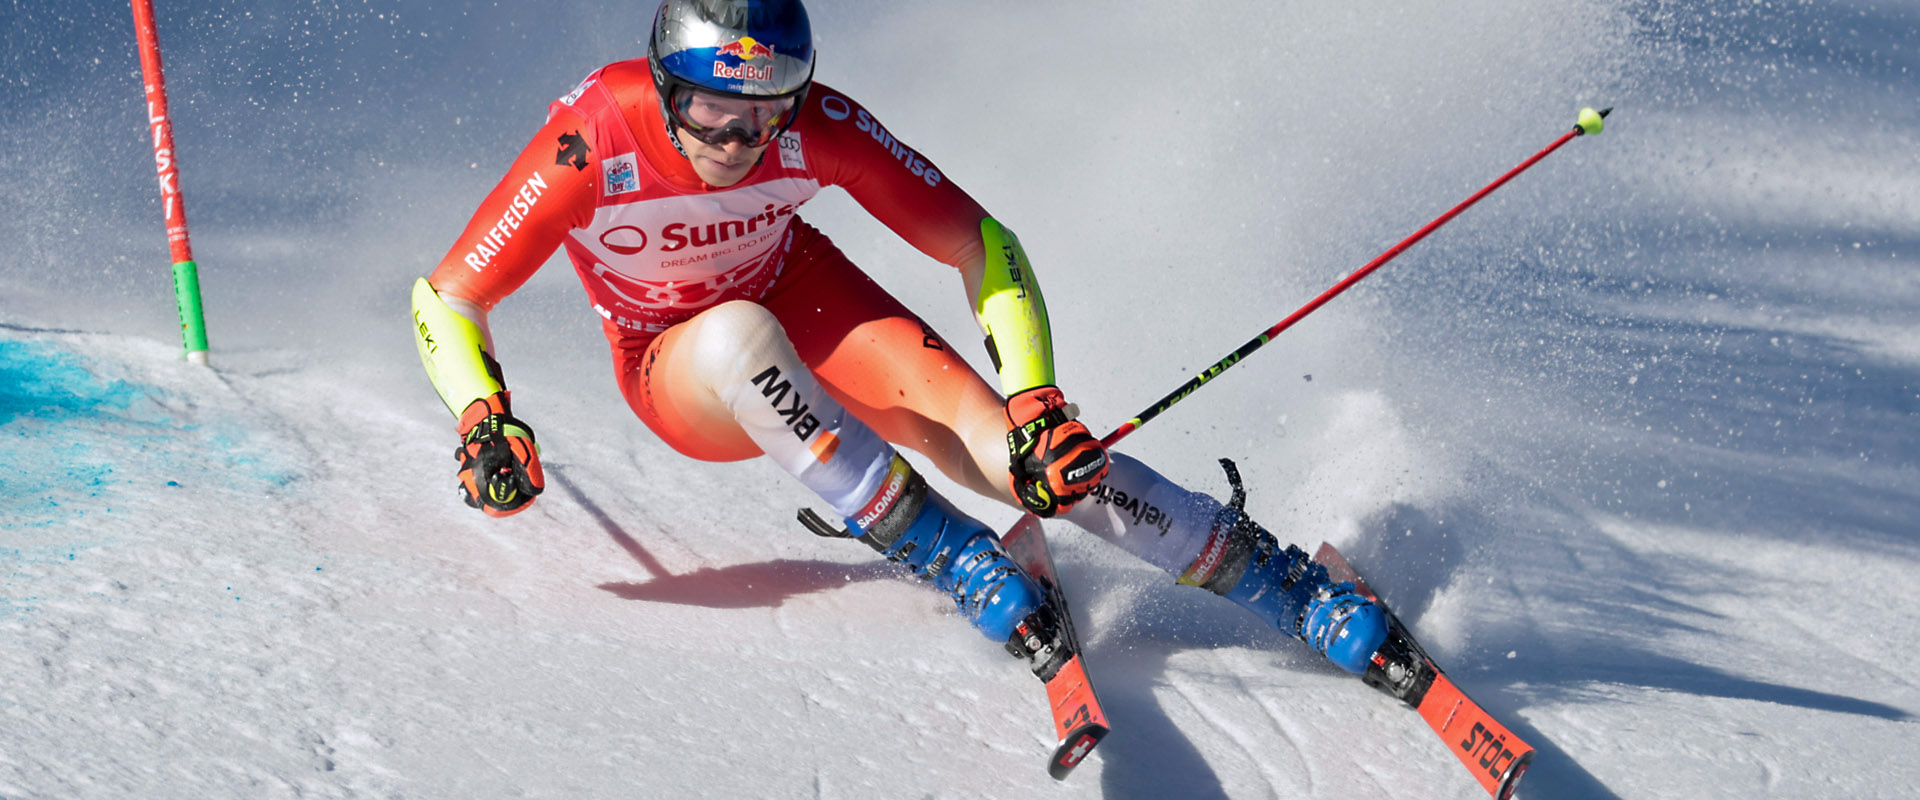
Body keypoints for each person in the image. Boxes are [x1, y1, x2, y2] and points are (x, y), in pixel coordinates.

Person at [409, 0, 1387, 679]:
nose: (741, 141)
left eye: (768, 108)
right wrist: (484, 417)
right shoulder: (594, 138)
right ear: (666, 88)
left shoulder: (815, 127)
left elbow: (980, 241)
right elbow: (448, 296)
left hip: (803, 290)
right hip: (675, 363)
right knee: (740, 333)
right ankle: (949, 553)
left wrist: (1037, 397)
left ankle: (1285, 586)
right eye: (712, 107)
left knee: (1023, 462)